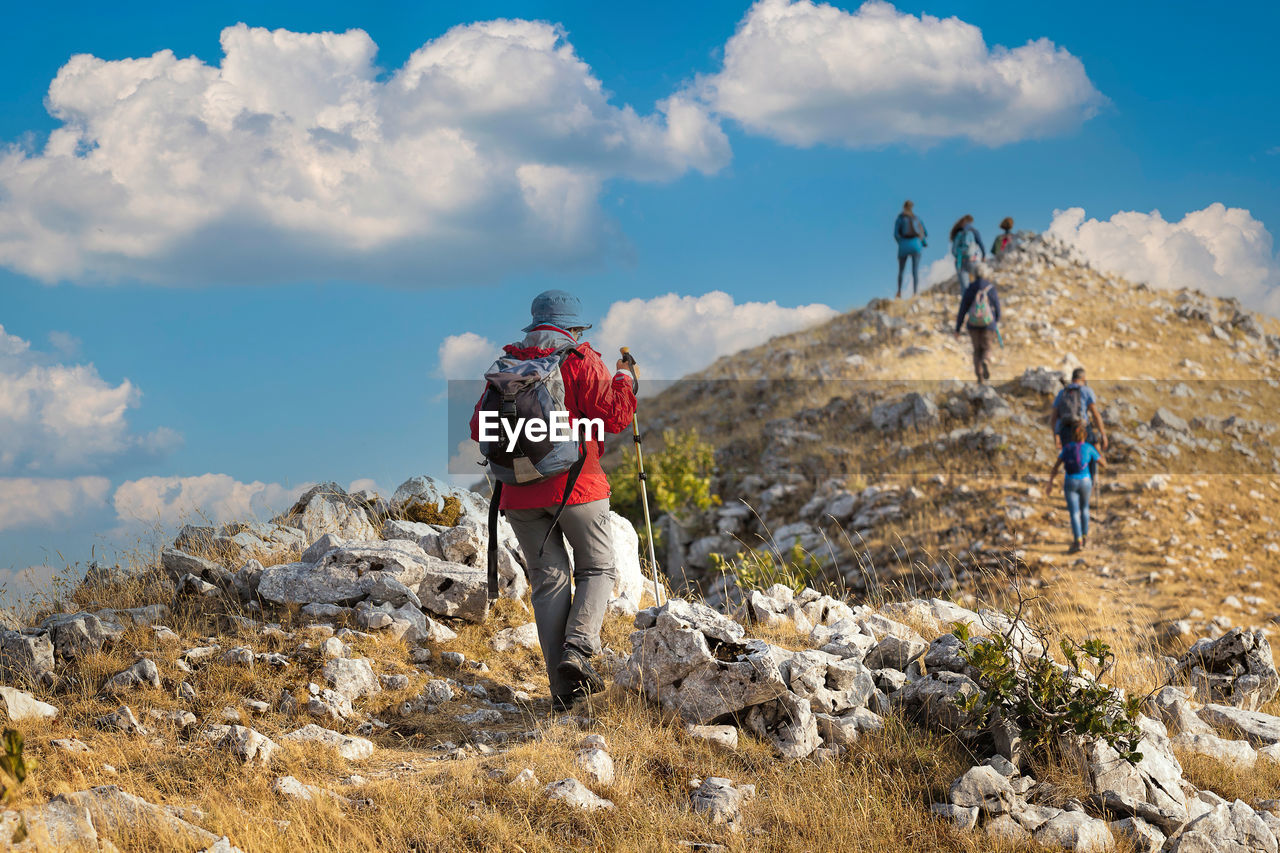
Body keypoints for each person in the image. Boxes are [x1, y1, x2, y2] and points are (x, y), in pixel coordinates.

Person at [469, 290, 637, 711]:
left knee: (548, 583)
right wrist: (625, 380)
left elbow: (477, 427)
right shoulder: (581, 359)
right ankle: (579, 652)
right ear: (574, 327)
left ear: (535, 325)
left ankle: (564, 694)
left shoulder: (506, 365)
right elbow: (615, 416)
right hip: (577, 488)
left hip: (518, 495)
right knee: (597, 567)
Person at [1048, 422, 1104, 553]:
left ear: (1073, 435)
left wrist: (1050, 482)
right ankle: (1085, 537)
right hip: (1086, 481)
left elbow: (1056, 466)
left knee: (1074, 512)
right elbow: (1103, 463)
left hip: (1070, 481)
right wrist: (1098, 452)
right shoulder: (1089, 448)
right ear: (1085, 435)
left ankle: (1077, 540)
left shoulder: (1067, 448)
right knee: (1085, 508)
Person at [1050, 367, 1108, 480]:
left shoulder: (1062, 392)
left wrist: (1056, 435)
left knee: (1069, 458)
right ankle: (1090, 484)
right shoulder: (1086, 390)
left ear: (1072, 379)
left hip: (1065, 431)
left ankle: (1071, 485)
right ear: (1083, 378)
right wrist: (1103, 434)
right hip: (1082, 429)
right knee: (1093, 451)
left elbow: (1054, 417)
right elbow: (1095, 414)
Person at [954, 261, 1001, 384]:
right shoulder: (990, 288)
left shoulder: (970, 288)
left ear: (974, 274)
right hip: (988, 324)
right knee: (987, 347)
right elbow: (997, 307)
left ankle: (979, 377)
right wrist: (995, 321)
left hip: (973, 324)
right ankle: (986, 360)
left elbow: (963, 308)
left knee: (976, 351)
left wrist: (958, 328)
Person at [894, 200, 928, 298]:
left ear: (904, 207)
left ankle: (899, 292)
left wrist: (901, 242)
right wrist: (921, 242)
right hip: (916, 245)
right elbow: (925, 232)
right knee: (915, 270)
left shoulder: (900, 219)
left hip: (904, 245)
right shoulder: (917, 218)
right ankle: (915, 292)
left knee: (901, 270)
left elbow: (896, 234)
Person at [950, 214, 985, 292]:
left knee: (964, 287)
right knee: (978, 281)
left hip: (960, 261)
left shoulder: (958, 234)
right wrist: (983, 256)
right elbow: (981, 244)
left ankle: (966, 302)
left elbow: (953, 250)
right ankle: (978, 301)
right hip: (972, 260)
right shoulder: (973, 231)